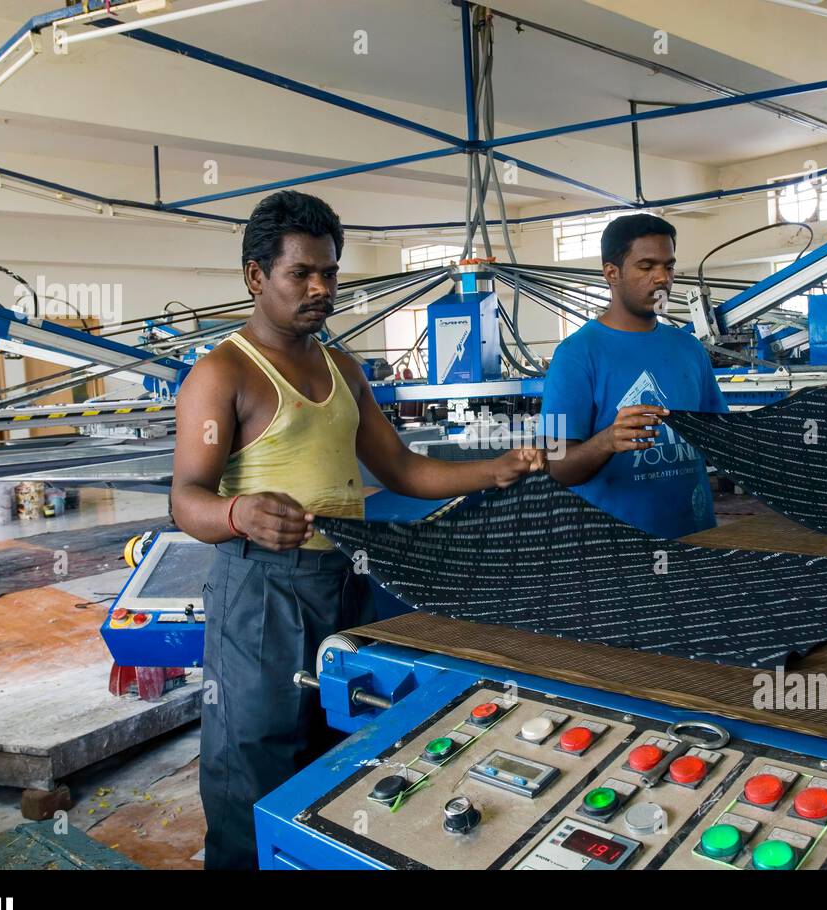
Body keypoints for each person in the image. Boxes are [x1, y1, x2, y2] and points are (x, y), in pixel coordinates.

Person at [171, 190, 546, 869]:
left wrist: (490, 472)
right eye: (301, 274)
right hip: (262, 591)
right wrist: (237, 513)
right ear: (256, 277)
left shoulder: (342, 369)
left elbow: (400, 467)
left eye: (330, 273)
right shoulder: (222, 372)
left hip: (346, 581)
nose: (321, 288)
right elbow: (184, 499)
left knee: (340, 753)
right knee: (252, 759)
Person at [540, 213, 728, 538]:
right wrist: (606, 441)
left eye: (668, 266)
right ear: (612, 273)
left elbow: (722, 439)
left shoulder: (689, 348)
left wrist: (776, 425)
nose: (662, 279)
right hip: (617, 555)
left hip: (697, 538)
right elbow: (554, 467)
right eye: (647, 266)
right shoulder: (574, 355)